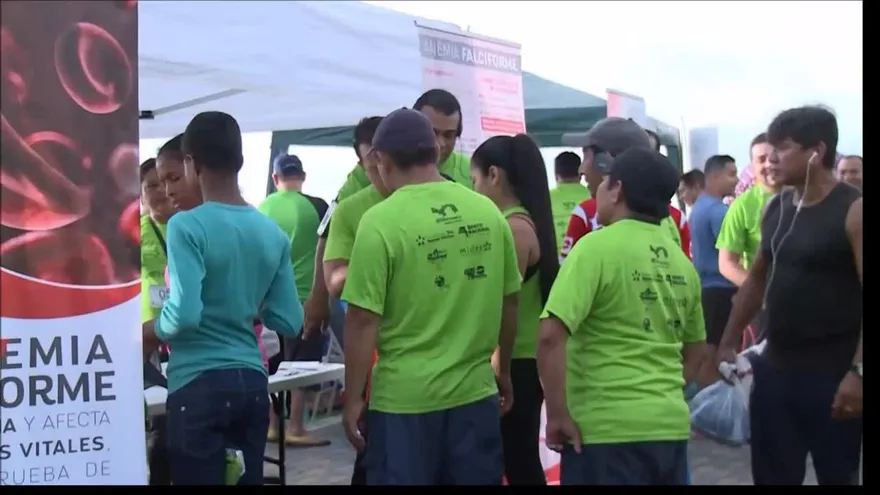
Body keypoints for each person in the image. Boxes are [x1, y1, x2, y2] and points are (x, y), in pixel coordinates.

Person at [341, 108, 521, 485]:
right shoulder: (487, 212)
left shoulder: (380, 221)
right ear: (434, 152)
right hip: (475, 396)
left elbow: (361, 319)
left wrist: (354, 395)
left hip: (404, 404)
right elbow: (510, 300)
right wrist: (502, 371)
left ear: (381, 160)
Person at [142, 112, 303, 485]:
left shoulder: (187, 225)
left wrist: (151, 330)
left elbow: (183, 315)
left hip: (197, 384)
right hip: (251, 382)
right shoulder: (270, 231)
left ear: (190, 162)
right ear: (241, 160)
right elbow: (290, 320)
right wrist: (244, 296)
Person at [537, 148, 706, 485]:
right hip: (668, 429)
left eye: (602, 183)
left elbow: (549, 336)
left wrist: (557, 413)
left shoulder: (595, 248)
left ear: (616, 189)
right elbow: (697, 351)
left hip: (603, 432)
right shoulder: (681, 264)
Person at [717, 106, 862, 485]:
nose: (771, 159)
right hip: (775, 370)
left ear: (817, 151)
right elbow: (755, 281)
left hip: (833, 374)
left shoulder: (853, 210)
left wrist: (858, 372)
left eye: (783, 149)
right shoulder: (775, 207)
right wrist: (727, 342)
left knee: (837, 475)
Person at [471, 134, 560, 485]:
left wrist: (499, 366)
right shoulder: (519, 223)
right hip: (516, 358)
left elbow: (500, 306)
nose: (473, 189)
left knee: (517, 460)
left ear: (494, 175)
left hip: (513, 360)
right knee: (516, 457)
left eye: (474, 180)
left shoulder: (513, 228)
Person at [258, 154, 331, 448]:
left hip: (269, 299)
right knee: (301, 363)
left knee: (274, 364)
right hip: (304, 298)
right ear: (302, 176)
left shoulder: (263, 208)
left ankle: (273, 425)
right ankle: (297, 427)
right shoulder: (317, 206)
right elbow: (327, 249)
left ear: (276, 179)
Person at [559, 117, 690, 260]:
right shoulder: (674, 220)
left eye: (586, 157)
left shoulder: (588, 232)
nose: (581, 170)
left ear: (605, 162)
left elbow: (564, 271)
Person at [715, 133, 777, 346]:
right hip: (762, 308)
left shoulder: (805, 196)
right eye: (761, 159)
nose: (769, 164)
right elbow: (726, 263)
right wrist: (762, 292)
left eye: (773, 157)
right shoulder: (742, 205)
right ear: (752, 165)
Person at [687, 154, 739, 389]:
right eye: (731, 174)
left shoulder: (698, 207)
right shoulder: (719, 212)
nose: (736, 180)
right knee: (715, 356)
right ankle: (711, 410)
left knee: (708, 351)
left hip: (707, 290)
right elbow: (731, 254)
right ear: (715, 176)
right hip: (722, 290)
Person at [140, 157, 174, 485]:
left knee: (168, 422)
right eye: (150, 186)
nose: (158, 192)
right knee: (154, 420)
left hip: (179, 338)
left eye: (162, 183)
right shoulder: (131, 232)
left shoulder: (187, 226)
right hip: (145, 339)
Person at [549, 151, 590, 252]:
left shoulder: (545, 198)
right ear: (581, 174)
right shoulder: (594, 196)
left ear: (556, 176)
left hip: (556, 261)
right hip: (586, 255)